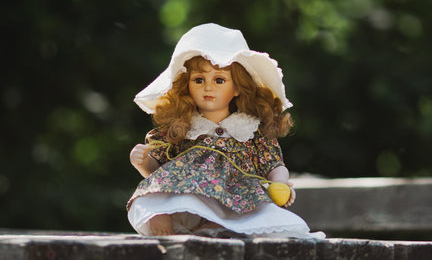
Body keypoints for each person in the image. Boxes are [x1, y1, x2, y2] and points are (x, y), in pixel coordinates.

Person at [127, 23, 325, 238]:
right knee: (174, 192)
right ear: (187, 85)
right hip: (189, 192)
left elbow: (274, 165)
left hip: (237, 198)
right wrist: (143, 162)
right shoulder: (183, 127)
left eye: (219, 80)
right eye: (199, 80)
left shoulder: (250, 130)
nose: (208, 87)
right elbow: (157, 171)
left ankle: (214, 227)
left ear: (237, 87)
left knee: (256, 217)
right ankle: (163, 213)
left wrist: (280, 183)